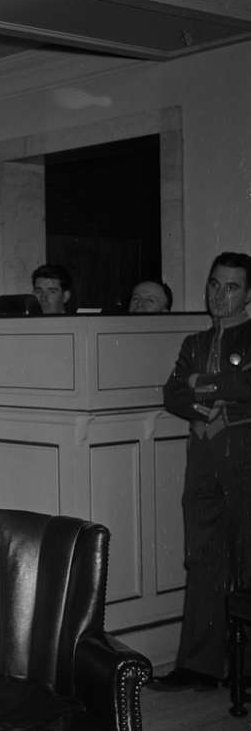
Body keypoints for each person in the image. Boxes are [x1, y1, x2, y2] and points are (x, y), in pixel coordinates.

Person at [153, 251, 251, 691]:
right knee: (203, 560)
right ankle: (200, 668)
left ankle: (245, 671)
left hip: (245, 462)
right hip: (203, 465)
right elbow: (172, 392)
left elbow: (244, 385)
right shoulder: (194, 342)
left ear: (248, 294)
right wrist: (196, 399)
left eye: (231, 287)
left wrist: (200, 384)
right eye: (215, 284)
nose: (219, 295)